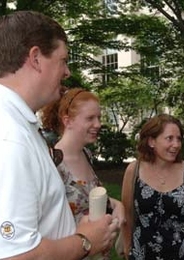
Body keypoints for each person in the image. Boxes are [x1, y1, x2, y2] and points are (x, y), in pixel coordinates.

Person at [0, 11, 117, 259]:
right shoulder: (7, 138)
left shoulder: (10, 122)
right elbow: (15, 256)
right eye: (63, 60)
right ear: (35, 58)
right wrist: (86, 242)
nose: (67, 72)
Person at [40, 87, 126, 259]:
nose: (98, 124)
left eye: (99, 118)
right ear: (68, 120)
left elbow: (87, 199)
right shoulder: (53, 163)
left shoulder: (86, 154)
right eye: (90, 118)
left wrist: (118, 206)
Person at [120, 114, 184, 260]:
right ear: (151, 141)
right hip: (142, 253)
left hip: (183, 254)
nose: (176, 144)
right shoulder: (134, 170)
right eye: (169, 138)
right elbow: (127, 215)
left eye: (179, 139)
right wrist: (127, 248)